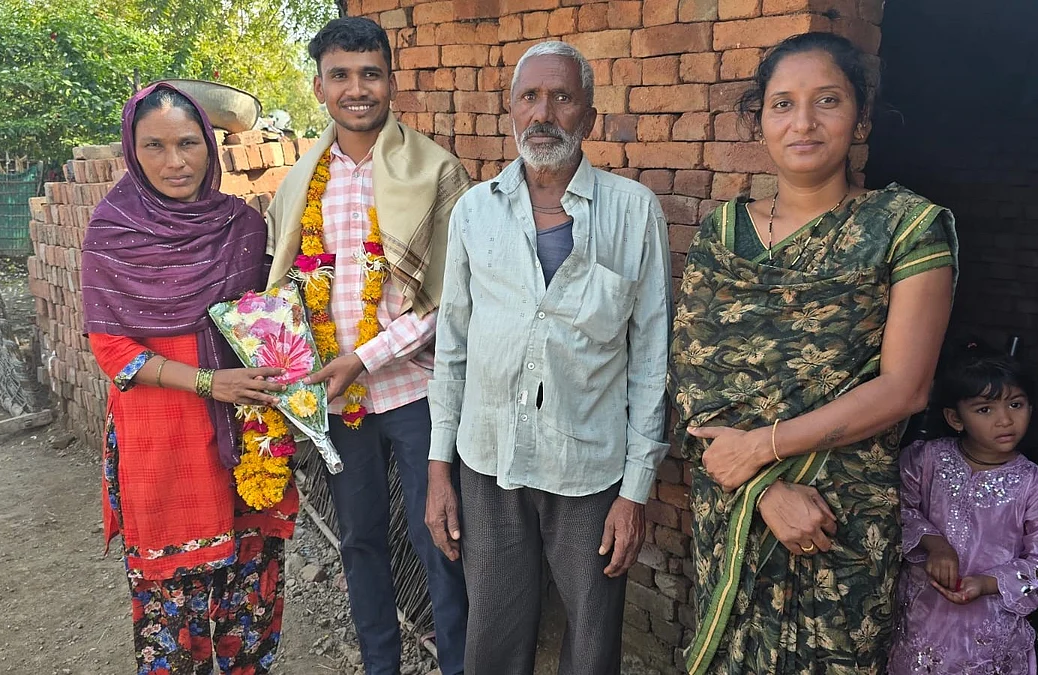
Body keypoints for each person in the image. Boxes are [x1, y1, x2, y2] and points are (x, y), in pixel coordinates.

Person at [668, 32, 958, 674]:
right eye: (782, 104)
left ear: (861, 120)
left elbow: (904, 387)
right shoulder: (722, 232)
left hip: (840, 516)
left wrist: (766, 447)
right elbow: (691, 379)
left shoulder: (906, 227)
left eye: (827, 101)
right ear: (761, 121)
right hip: (740, 501)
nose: (803, 122)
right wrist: (764, 485)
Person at [423, 41, 672, 675]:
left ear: (588, 116)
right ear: (510, 111)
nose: (543, 113)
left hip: (590, 463)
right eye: (528, 97)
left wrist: (636, 490)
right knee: (495, 629)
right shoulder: (475, 211)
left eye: (561, 97)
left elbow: (651, 358)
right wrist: (437, 469)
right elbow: (450, 345)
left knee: (592, 639)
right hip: (488, 455)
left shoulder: (633, 211)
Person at [264, 17, 471, 675]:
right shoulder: (300, 183)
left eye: (371, 73)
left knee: (440, 537)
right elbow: (287, 288)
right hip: (339, 397)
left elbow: (453, 300)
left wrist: (366, 354)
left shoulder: (436, 171)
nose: (358, 89)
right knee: (359, 539)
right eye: (341, 75)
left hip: (417, 391)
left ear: (391, 79)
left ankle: (459, 664)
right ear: (319, 86)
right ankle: (380, 665)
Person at [82, 83, 297, 675]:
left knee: (249, 606)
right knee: (170, 623)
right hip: (161, 440)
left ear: (210, 145)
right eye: (154, 145)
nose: (174, 162)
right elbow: (113, 350)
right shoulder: (113, 230)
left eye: (188, 143)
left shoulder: (243, 225)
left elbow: (267, 322)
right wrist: (209, 383)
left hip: (245, 432)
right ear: (132, 148)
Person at [888, 342, 1038, 674]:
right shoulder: (926, 461)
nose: (1005, 420)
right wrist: (936, 544)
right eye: (984, 409)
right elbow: (895, 507)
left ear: (1031, 408)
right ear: (954, 418)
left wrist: (987, 583)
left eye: (1016, 404)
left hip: (986, 625)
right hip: (920, 613)